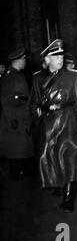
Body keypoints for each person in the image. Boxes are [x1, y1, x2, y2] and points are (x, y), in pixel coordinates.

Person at [30, 39, 77, 212]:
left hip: (67, 122)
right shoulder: (37, 79)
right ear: (47, 59)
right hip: (47, 125)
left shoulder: (72, 77)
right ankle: (61, 190)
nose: (60, 58)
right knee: (50, 158)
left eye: (61, 55)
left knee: (70, 159)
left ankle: (69, 199)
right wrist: (37, 113)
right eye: (55, 56)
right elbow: (33, 103)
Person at [0, 47, 34, 181]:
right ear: (18, 60)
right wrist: (11, 119)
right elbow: (5, 99)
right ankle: (15, 175)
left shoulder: (18, 74)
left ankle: (20, 172)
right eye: (24, 60)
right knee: (14, 148)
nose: (25, 62)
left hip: (21, 115)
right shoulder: (9, 76)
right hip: (14, 116)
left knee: (21, 148)